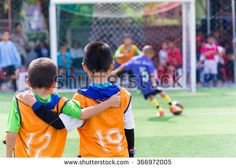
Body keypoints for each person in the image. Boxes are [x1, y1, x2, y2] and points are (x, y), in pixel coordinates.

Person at [21, 42, 135, 157]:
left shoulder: (81, 98)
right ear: (112, 65)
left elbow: (59, 124)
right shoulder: (124, 95)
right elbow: (129, 128)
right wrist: (131, 154)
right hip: (121, 158)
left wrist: (35, 104)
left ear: (84, 67)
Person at [5, 58, 121, 157]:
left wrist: (9, 158)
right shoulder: (61, 103)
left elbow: (11, 133)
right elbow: (83, 114)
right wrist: (109, 103)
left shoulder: (19, 101)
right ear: (55, 83)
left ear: (28, 83)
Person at [113, 45, 182, 117]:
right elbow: (152, 74)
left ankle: (160, 110)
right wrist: (154, 83)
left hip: (142, 84)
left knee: (150, 96)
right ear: (150, 54)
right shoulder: (149, 61)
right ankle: (172, 106)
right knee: (161, 92)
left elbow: (124, 66)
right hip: (151, 82)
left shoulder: (134, 59)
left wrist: (115, 71)